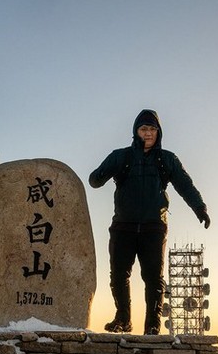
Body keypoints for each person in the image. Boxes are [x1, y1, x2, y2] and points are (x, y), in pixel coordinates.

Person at [89, 109, 210, 335]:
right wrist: (99, 175)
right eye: (144, 129)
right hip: (123, 226)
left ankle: (152, 326)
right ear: (136, 131)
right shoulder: (121, 156)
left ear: (158, 132)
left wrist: (199, 207)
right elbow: (95, 180)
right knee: (118, 275)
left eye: (152, 129)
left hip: (153, 227)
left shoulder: (167, 160)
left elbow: (185, 185)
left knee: (153, 278)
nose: (148, 133)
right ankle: (123, 319)